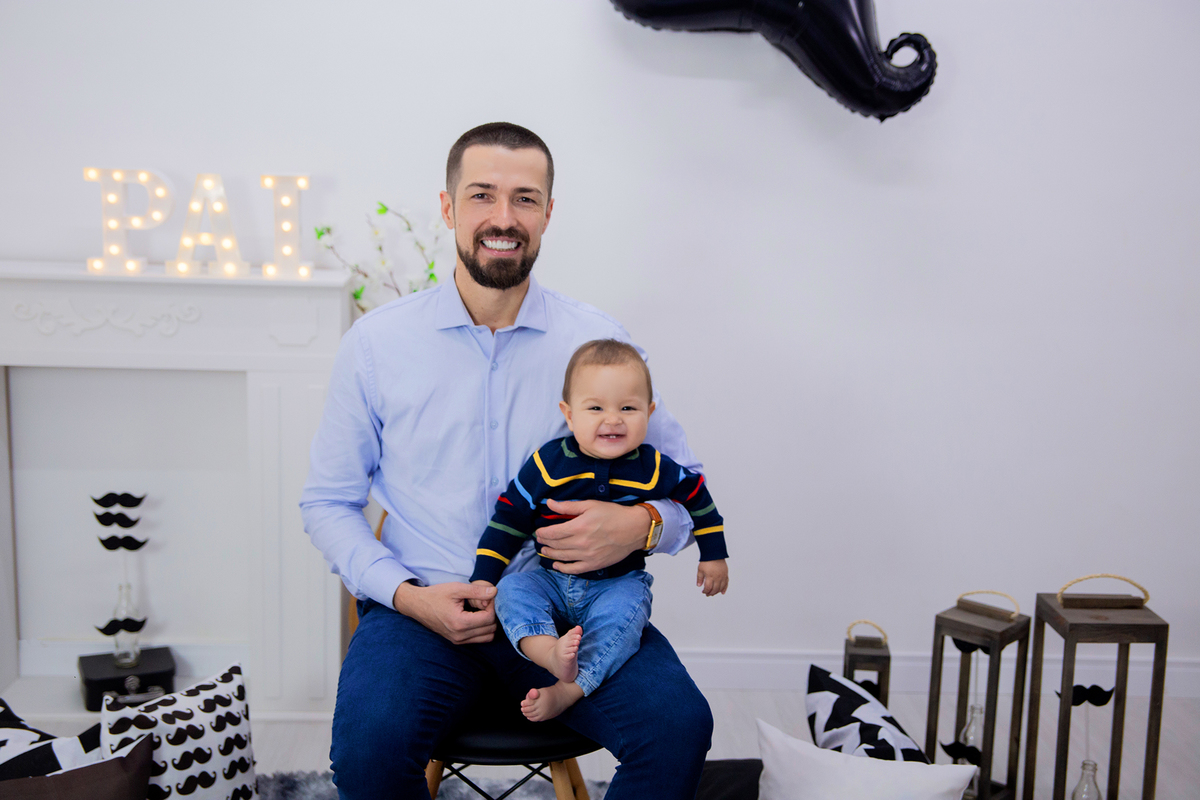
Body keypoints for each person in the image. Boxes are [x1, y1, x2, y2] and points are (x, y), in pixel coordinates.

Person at [300, 122, 714, 799]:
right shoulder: (376, 345)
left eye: (525, 198)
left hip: (571, 612)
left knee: (678, 727)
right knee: (368, 749)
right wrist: (407, 596)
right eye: (482, 195)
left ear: (548, 213)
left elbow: (688, 491)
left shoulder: (598, 342)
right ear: (447, 208)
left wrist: (638, 526)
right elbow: (327, 502)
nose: (503, 218)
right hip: (420, 612)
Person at [469, 338, 730, 722]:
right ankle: (548, 653)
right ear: (569, 414)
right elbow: (508, 520)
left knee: (626, 617)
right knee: (513, 590)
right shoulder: (547, 464)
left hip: (617, 584)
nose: (613, 419)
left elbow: (698, 498)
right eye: (595, 408)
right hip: (549, 580)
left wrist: (714, 555)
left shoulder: (654, 467)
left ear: (649, 412)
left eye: (628, 408)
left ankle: (570, 689)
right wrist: (482, 579)